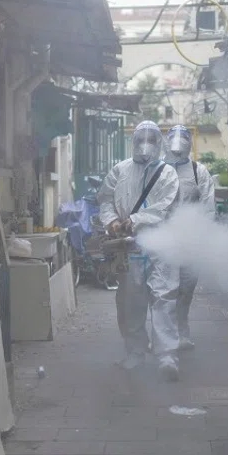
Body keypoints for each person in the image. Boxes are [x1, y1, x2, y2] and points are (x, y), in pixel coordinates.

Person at [98, 121, 183, 380]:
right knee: (129, 301)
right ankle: (134, 353)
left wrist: (136, 220)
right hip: (129, 245)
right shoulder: (119, 170)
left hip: (161, 243)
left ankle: (167, 355)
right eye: (140, 139)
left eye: (152, 139)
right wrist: (112, 221)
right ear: (132, 141)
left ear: (160, 142)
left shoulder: (168, 173)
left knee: (164, 298)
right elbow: (105, 200)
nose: (146, 144)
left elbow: (163, 206)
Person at [164, 125, 216, 351]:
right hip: (164, 240)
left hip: (190, 240)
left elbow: (208, 206)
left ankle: (181, 333)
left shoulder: (198, 171)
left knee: (186, 290)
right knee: (164, 290)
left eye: (183, 137)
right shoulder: (158, 170)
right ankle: (164, 334)